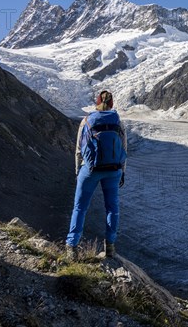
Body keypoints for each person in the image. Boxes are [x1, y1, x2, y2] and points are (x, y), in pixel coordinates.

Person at [66, 90, 127, 260]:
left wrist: (79, 172)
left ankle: (72, 247)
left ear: (97, 102)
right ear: (112, 103)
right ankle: (110, 247)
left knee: (80, 207)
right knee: (112, 209)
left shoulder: (87, 120)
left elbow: (79, 150)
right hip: (113, 170)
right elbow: (124, 148)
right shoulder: (118, 122)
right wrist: (122, 172)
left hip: (90, 170)